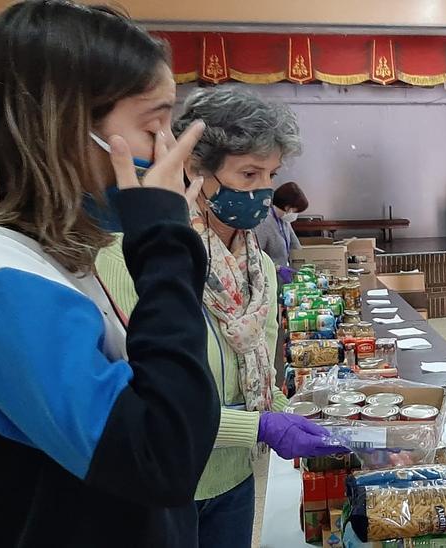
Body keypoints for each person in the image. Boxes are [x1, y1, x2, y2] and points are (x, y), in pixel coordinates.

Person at [0, 2, 218, 545]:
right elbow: (161, 455)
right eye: (153, 127)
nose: (167, 154)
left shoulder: (45, 251)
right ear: (63, 126)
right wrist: (167, 245)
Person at [96, 88, 343, 548]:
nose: (263, 192)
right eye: (248, 173)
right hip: (165, 486)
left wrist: (303, 418)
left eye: (271, 174)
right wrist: (259, 426)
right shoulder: (135, 258)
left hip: (234, 478)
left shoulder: (260, 269)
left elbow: (260, 377)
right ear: (194, 170)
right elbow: (146, 398)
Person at [255, 181, 309, 273]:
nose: (296, 214)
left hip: (283, 278)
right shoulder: (264, 222)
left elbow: (295, 246)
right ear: (288, 208)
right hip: (269, 277)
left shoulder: (285, 221)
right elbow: (257, 256)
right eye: (296, 210)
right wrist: (278, 268)